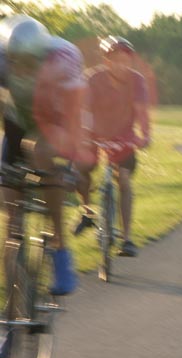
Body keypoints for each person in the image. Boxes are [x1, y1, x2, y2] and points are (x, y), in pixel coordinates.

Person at [0, 15, 86, 296]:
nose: (21, 71)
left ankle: (61, 248)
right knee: (10, 213)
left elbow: (74, 119)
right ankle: (13, 304)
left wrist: (70, 165)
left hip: (55, 118)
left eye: (29, 65)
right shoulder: (1, 62)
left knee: (38, 150)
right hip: (17, 119)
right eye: (16, 64)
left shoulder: (65, 59)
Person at [73, 35, 151, 257]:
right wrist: (84, 134)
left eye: (126, 60)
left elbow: (142, 112)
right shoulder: (92, 78)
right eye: (115, 59)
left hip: (124, 135)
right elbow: (83, 109)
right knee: (81, 171)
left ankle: (126, 240)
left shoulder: (137, 81)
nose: (121, 65)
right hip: (94, 132)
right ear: (106, 61)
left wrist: (144, 135)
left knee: (123, 179)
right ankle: (87, 213)